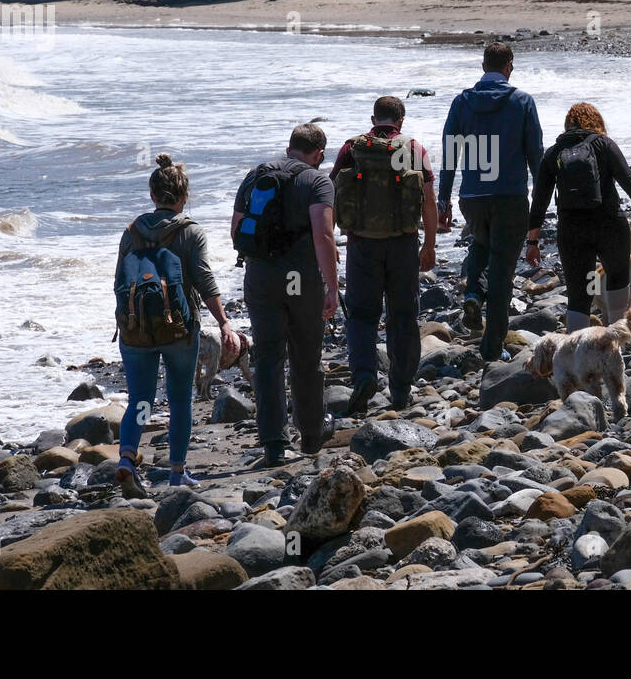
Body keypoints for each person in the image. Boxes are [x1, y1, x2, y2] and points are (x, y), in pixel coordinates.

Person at [113, 153, 239, 490]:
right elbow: (205, 282)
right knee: (180, 398)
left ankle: (127, 457)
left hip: (136, 329)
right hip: (179, 329)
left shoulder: (132, 231)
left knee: (140, 399)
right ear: (184, 197)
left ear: (152, 196)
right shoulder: (190, 231)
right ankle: (176, 472)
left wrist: (126, 322)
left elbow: (119, 283)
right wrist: (224, 323)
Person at [232, 124, 339, 466]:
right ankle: (310, 435)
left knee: (267, 358)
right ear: (319, 154)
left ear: (290, 146)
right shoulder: (318, 182)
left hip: (261, 277)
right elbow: (323, 236)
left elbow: (236, 231)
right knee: (305, 355)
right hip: (300, 278)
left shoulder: (256, 176)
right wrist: (333, 286)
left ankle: (274, 444)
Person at [437, 41, 544, 365]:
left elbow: (450, 151)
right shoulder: (522, 101)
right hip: (510, 195)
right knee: (502, 272)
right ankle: (491, 348)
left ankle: (472, 294)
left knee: (481, 246)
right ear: (508, 66)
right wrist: (541, 200)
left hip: (472, 197)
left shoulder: (462, 102)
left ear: (483, 66)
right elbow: (535, 155)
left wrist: (443, 199)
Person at [330, 95, 437, 414]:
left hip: (361, 244)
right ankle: (401, 389)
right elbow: (428, 200)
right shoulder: (413, 148)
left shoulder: (352, 148)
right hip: (403, 243)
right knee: (403, 316)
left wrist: (329, 241)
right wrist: (429, 244)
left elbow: (332, 194)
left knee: (362, 316)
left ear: (373, 118)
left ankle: (364, 376)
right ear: (400, 121)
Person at [525, 102, 631, 330]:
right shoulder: (604, 144)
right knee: (617, 281)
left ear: (568, 125)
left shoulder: (553, 153)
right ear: (596, 122)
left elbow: (539, 201)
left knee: (580, 294)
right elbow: (629, 181)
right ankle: (617, 343)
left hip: (572, 231)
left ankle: (576, 353)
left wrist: (532, 242)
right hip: (609, 225)